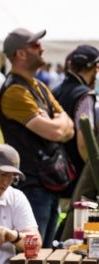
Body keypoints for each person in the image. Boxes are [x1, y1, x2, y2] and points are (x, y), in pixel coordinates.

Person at [0, 28, 74, 248]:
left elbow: (70, 126)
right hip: (32, 185)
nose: (42, 49)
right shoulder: (15, 92)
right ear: (20, 54)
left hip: (48, 182)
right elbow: (57, 132)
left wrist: (54, 121)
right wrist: (57, 122)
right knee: (33, 254)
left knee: (47, 253)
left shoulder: (38, 86)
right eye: (35, 45)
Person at [53, 45, 99, 196]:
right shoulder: (85, 96)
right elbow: (84, 144)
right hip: (76, 177)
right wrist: (93, 175)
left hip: (54, 173)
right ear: (95, 68)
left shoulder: (54, 91)